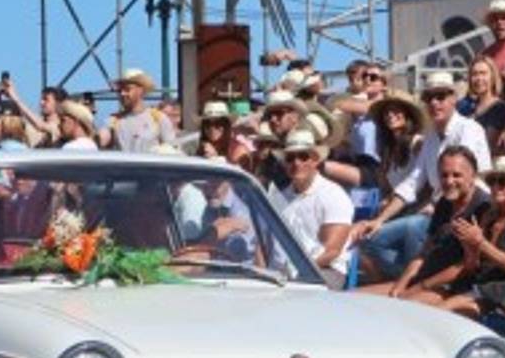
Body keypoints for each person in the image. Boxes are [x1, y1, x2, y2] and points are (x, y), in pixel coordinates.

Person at [355, 72, 492, 281]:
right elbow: (413, 182)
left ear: (453, 99)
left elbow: (462, 178)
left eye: (440, 97)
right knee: (370, 239)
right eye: (429, 98)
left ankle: (412, 282)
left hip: (470, 211)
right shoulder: (429, 138)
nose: (434, 103)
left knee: (413, 227)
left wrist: (433, 205)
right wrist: (380, 220)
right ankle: (409, 279)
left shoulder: (469, 129)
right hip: (440, 213)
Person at [358, 147, 489, 304]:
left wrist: (422, 286)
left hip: (454, 287)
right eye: (444, 175)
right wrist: (401, 286)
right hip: (425, 279)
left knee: (399, 311)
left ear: (473, 176)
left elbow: (467, 266)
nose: (449, 181)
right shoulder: (444, 203)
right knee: (355, 299)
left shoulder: (483, 208)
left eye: (457, 175)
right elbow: (424, 253)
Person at [433, 156, 505, 318]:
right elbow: (472, 266)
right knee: (424, 307)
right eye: (491, 182)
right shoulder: (490, 215)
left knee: (441, 314)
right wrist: (469, 247)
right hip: (484, 283)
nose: (496, 187)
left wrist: (480, 242)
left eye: (502, 181)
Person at [268, 129, 353, 289]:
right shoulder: (277, 197)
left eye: (303, 156)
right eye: (290, 158)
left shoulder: (333, 195)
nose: (296, 163)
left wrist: (298, 273)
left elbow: (331, 251)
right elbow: (265, 243)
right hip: (281, 274)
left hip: (323, 270)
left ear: (315, 160)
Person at [104, 69, 176, 152]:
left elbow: (171, 150)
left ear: (141, 90)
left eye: (127, 89)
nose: (122, 94)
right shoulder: (113, 121)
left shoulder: (158, 118)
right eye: (120, 90)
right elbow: (101, 140)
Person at [457, 56, 505, 149]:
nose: (479, 78)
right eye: (474, 74)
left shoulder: (499, 108)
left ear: (492, 77)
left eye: (483, 73)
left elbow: (488, 143)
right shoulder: (465, 106)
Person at [194, 101, 250, 169]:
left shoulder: (238, 149)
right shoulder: (202, 149)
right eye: (207, 124)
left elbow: (238, 177)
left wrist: (216, 159)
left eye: (218, 123)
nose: (212, 129)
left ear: (226, 125)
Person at [479, 0, 505, 73]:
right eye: (495, 19)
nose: (499, 22)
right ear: (489, 24)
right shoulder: (485, 55)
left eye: (504, 18)